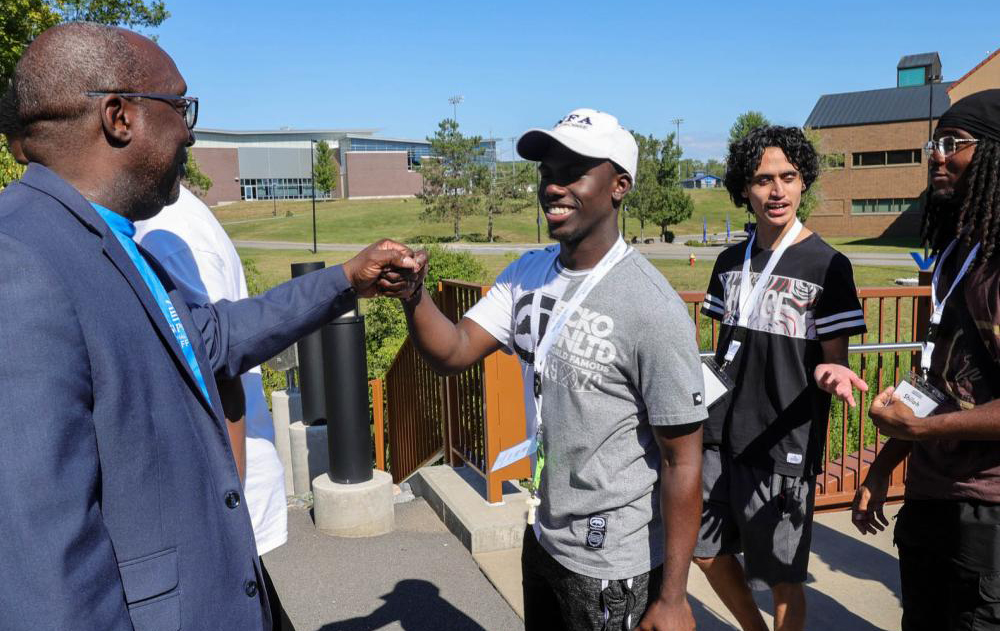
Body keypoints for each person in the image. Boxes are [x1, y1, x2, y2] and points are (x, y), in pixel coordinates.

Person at [0, 22, 421, 630]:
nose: (190, 131)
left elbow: (210, 340)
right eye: (180, 106)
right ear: (120, 117)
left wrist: (346, 280)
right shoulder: (21, 259)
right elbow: (42, 557)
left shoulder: (110, 239)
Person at [396, 108, 707, 630]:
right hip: (543, 535)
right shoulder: (527, 274)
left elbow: (684, 462)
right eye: (546, 173)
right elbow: (451, 352)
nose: (553, 186)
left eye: (574, 172)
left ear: (619, 186)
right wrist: (413, 295)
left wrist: (673, 597)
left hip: (614, 562)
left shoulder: (652, 308)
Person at [693, 125, 868, 631]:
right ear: (744, 189)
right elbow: (728, 347)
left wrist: (834, 373)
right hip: (717, 432)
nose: (777, 191)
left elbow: (834, 359)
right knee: (704, 552)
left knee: (782, 574)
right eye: (763, 179)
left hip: (784, 436)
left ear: (803, 182)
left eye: (788, 177)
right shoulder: (729, 263)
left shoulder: (829, 264)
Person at [854, 89, 1000, 631]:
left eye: (953, 143)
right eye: (932, 143)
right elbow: (941, 380)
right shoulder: (958, 250)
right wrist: (884, 464)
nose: (937, 155)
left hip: (987, 510)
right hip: (931, 494)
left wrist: (921, 427)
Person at [134, 185, 295, 630]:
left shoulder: (166, 230)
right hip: (222, 495)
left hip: (222, 496)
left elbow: (216, 368)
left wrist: (228, 509)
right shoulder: (166, 221)